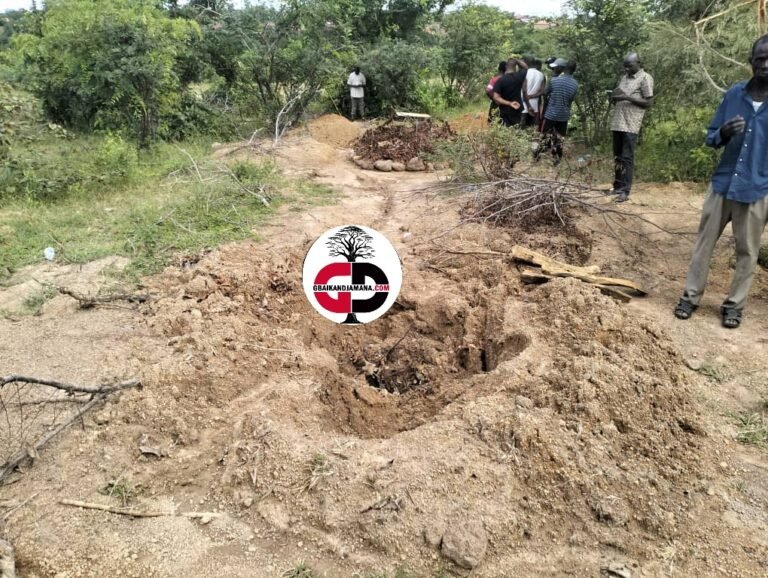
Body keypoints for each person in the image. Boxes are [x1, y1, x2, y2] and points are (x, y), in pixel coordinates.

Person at [674, 35, 768, 329]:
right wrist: (724, 134)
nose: (765, 64)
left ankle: (734, 306)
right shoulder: (733, 95)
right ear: (750, 61)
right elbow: (711, 136)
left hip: (756, 188)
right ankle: (690, 298)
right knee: (704, 244)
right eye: (760, 58)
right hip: (723, 184)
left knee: (747, 251)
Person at [609, 53, 654, 203]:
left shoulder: (645, 78)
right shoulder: (624, 77)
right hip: (618, 122)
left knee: (627, 157)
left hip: (631, 123)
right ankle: (617, 186)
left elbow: (648, 102)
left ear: (638, 63)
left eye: (629, 66)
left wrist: (627, 98)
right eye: (625, 66)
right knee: (617, 156)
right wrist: (615, 97)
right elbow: (620, 94)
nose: (627, 68)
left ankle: (625, 191)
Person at [537, 58, 578, 164]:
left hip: (551, 113)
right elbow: (570, 100)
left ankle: (537, 157)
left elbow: (545, 93)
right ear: (574, 71)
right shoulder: (575, 84)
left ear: (564, 69)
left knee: (545, 135)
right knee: (559, 138)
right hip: (564, 115)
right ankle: (557, 159)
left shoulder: (555, 80)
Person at [492, 57, 528, 127]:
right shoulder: (519, 76)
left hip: (505, 112)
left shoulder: (500, 80)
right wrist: (516, 60)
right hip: (517, 109)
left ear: (506, 66)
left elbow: (496, 97)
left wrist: (510, 103)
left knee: (505, 130)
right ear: (516, 66)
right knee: (516, 130)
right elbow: (525, 67)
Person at [522, 58, 546, 130]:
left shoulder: (524, 72)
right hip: (534, 106)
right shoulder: (542, 75)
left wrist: (527, 101)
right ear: (539, 66)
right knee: (532, 129)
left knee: (521, 128)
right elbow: (542, 91)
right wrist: (531, 96)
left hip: (523, 105)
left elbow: (524, 90)